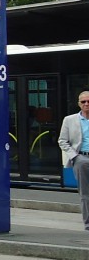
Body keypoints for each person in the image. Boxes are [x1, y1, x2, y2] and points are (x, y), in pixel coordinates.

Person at [57, 90, 89, 231]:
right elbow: (62, 141)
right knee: (85, 193)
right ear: (79, 104)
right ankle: (88, 223)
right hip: (81, 158)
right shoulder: (69, 120)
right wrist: (75, 157)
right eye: (83, 102)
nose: (86, 104)